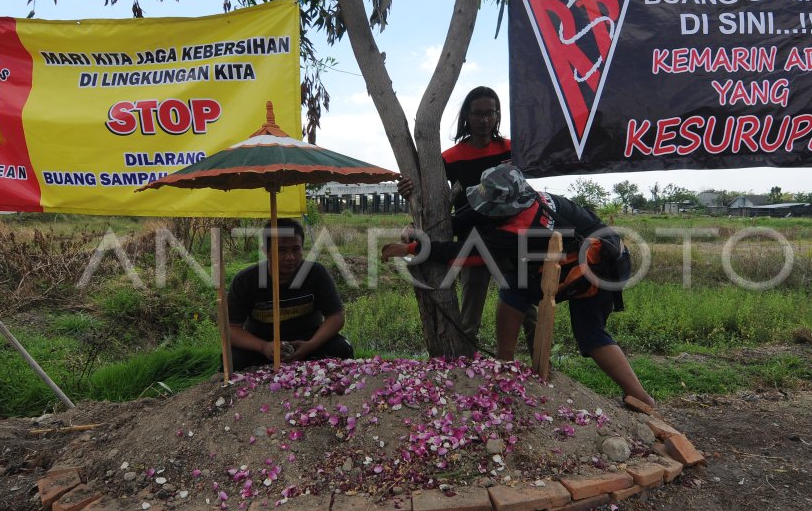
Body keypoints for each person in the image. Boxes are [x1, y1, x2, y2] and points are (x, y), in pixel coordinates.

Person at [383, 165, 656, 409]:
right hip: (596, 251)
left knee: (582, 328)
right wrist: (425, 230)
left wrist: (412, 248)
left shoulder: (519, 230)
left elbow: (466, 253)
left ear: (505, 207)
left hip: (600, 266)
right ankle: (505, 366)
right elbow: (474, 215)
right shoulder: (523, 196)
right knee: (518, 289)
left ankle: (639, 398)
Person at [397, 86, 534, 346]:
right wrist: (408, 190)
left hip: (512, 238)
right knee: (471, 312)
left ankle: (540, 367)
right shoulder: (449, 158)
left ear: (497, 115)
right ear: (466, 116)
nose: (484, 120)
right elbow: (430, 195)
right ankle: (466, 371)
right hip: (472, 241)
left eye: (489, 113)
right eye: (477, 114)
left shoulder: (512, 150)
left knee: (525, 306)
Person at [227, 218, 353, 370]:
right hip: (263, 343)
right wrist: (263, 347)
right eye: (281, 250)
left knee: (342, 349)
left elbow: (336, 317)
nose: (290, 257)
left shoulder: (316, 273)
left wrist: (311, 345)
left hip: (310, 339)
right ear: (265, 251)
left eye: (296, 249)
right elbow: (231, 329)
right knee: (232, 359)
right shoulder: (245, 280)